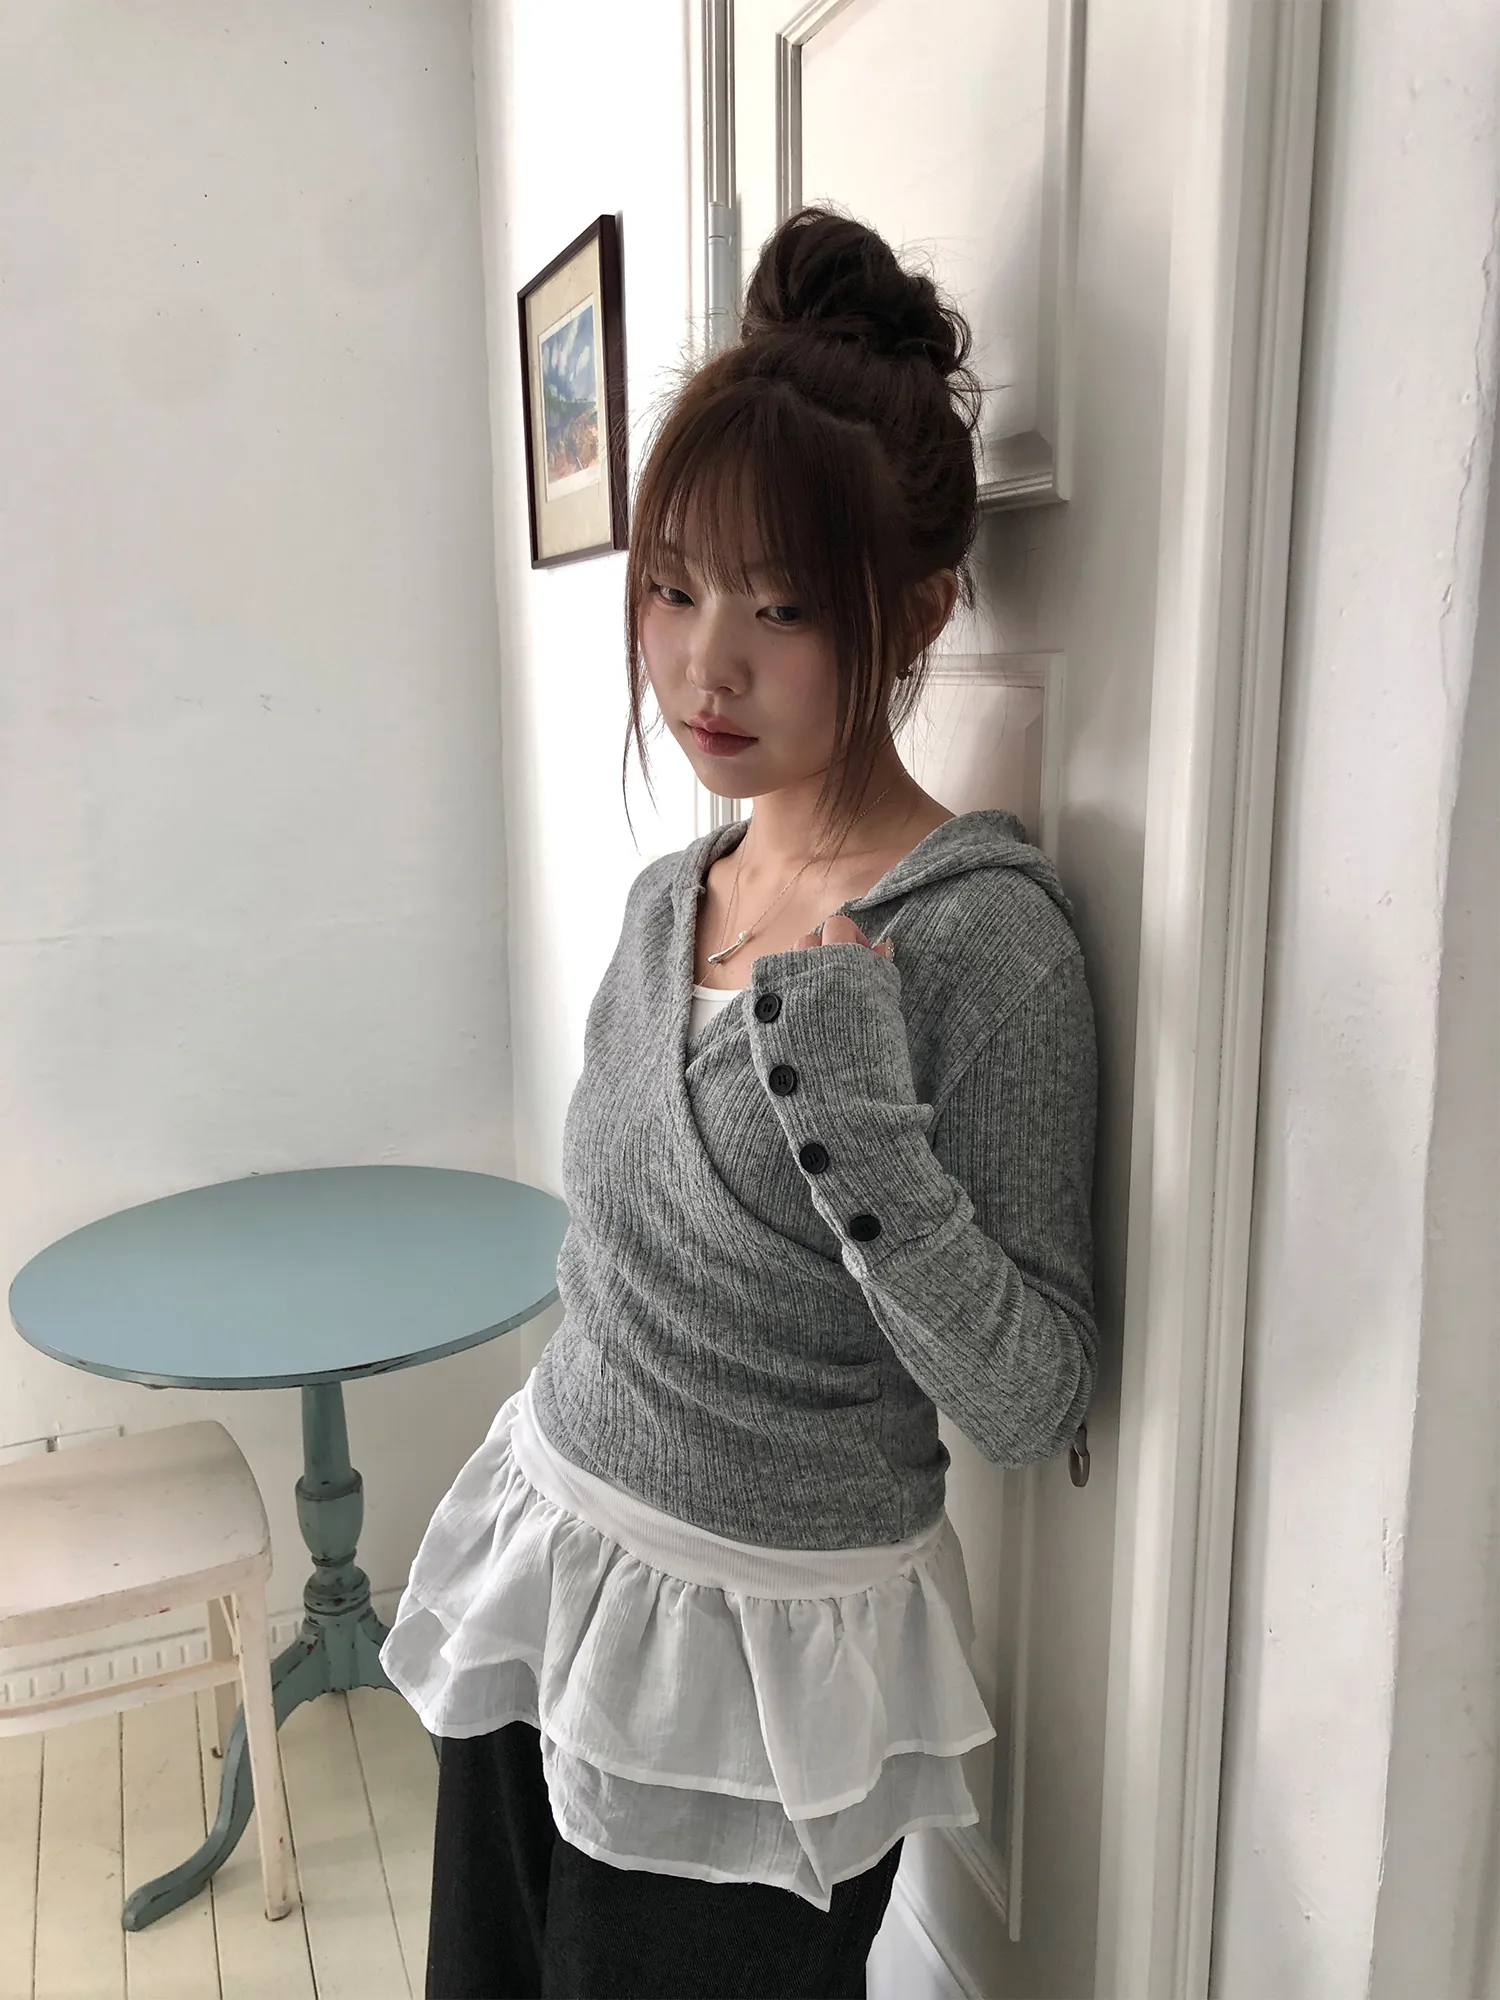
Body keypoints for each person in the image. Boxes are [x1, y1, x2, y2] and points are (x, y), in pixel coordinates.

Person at [381, 203, 1100, 2000]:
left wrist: (860, 1122)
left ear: (914, 614)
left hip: (759, 1691)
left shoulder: (985, 945)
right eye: (675, 586)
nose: (706, 664)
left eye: (779, 609)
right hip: (550, 1573)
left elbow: (1032, 1397)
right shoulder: (670, 897)